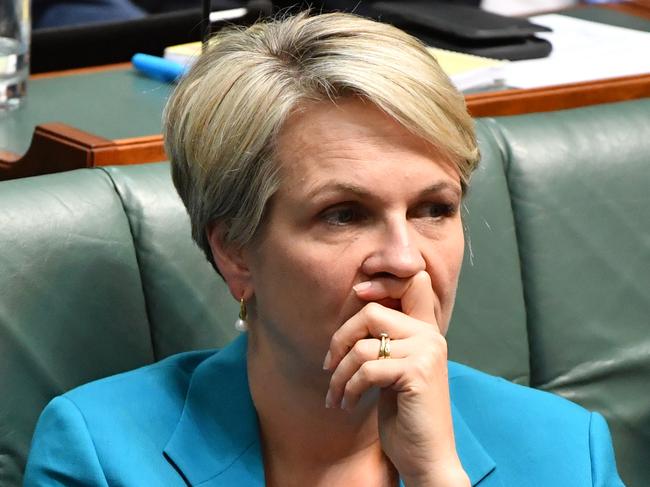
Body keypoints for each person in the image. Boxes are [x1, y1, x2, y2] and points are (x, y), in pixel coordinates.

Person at [24, 11, 624, 486]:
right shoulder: (101, 454)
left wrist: (436, 476)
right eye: (344, 215)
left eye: (434, 208)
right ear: (235, 250)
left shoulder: (568, 453)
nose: (405, 257)